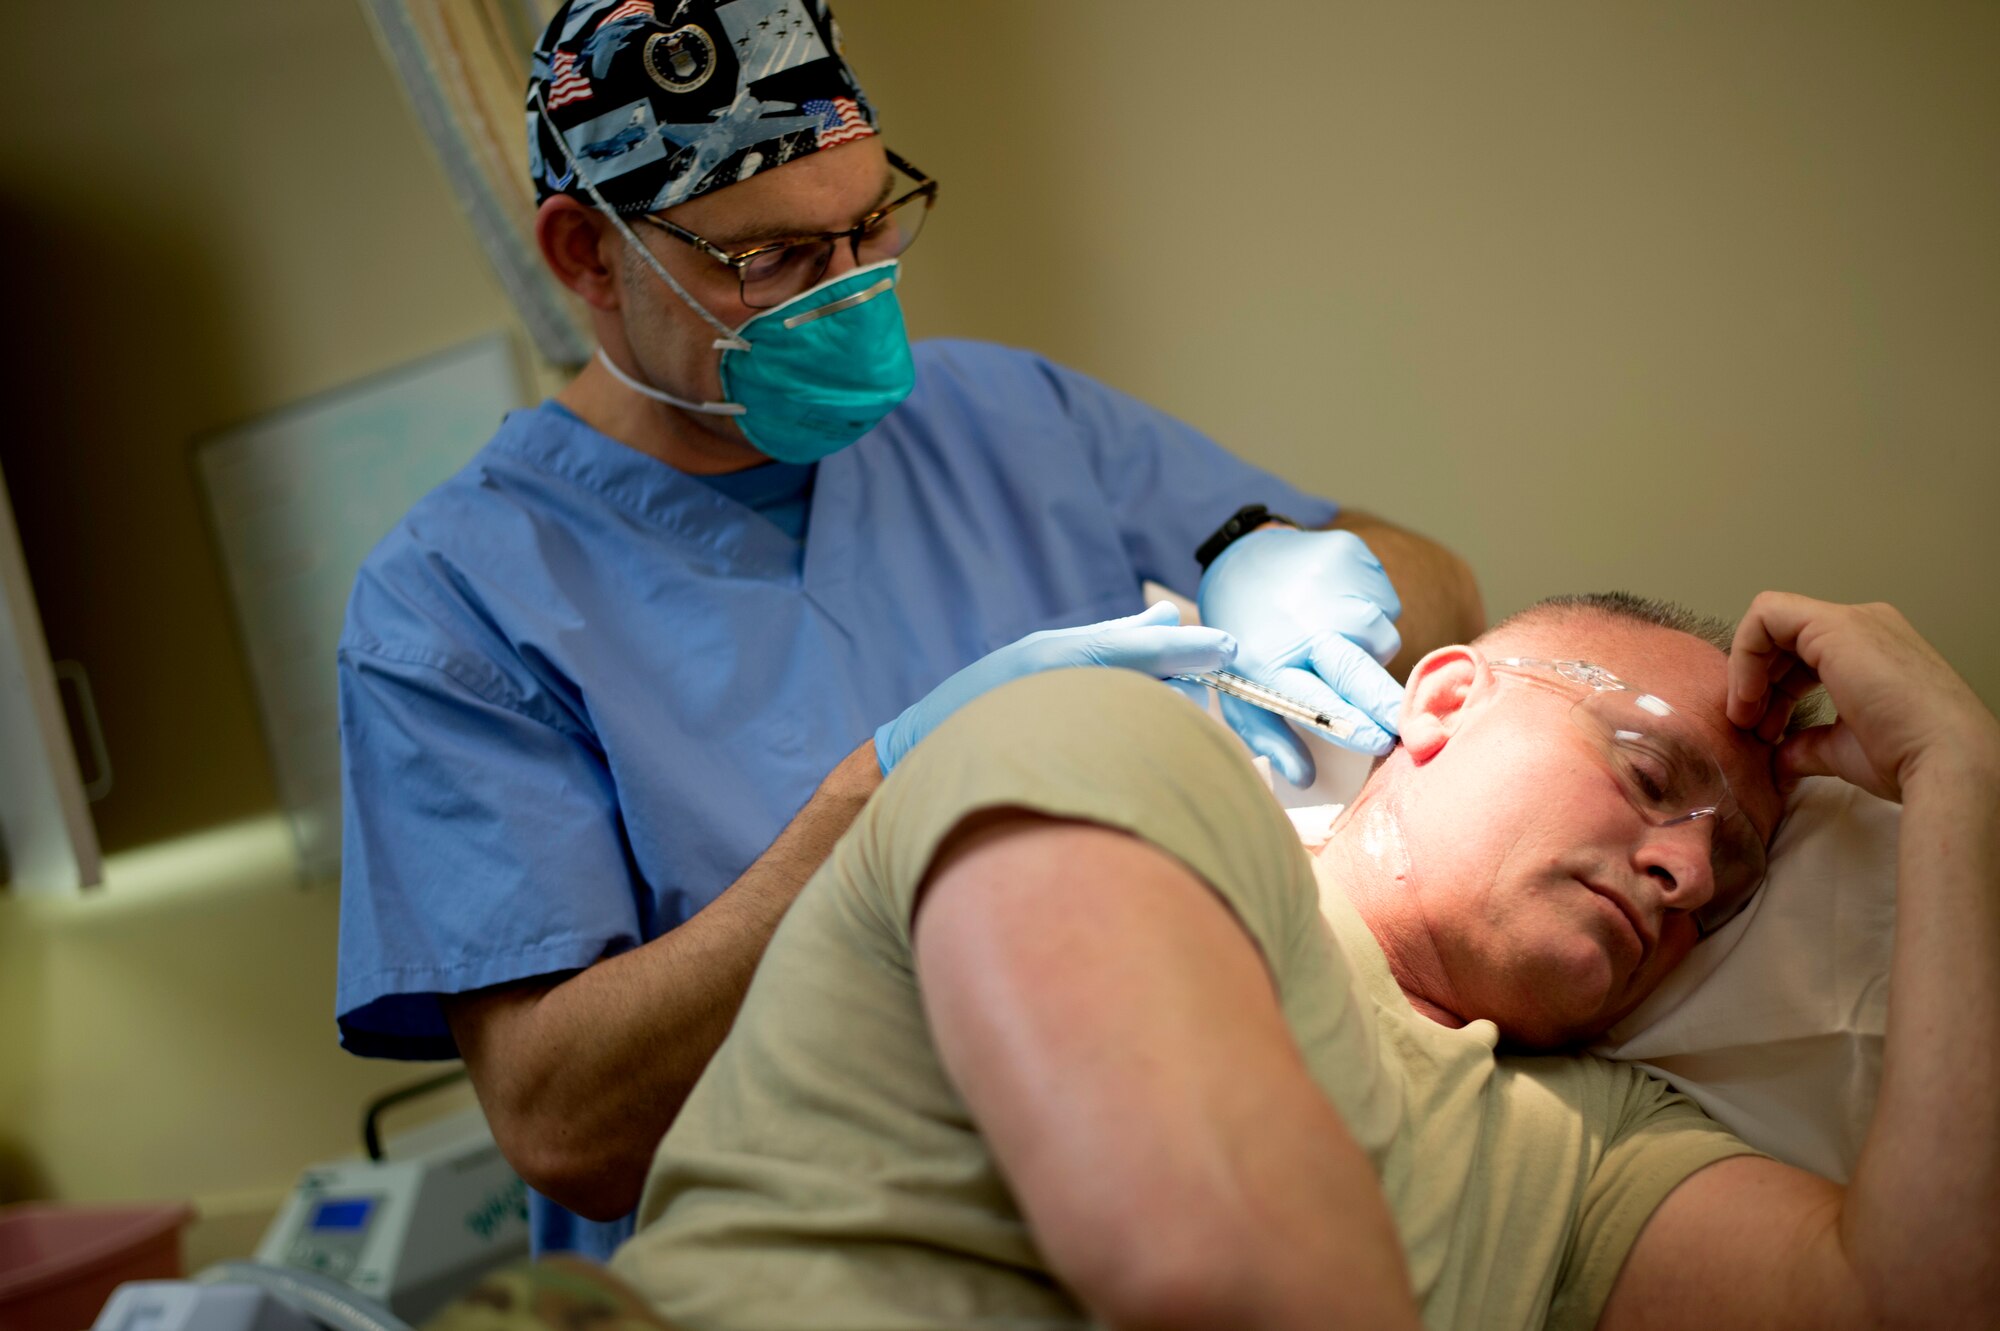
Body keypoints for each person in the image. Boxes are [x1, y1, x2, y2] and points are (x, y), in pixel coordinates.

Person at [333, 0, 1483, 1261]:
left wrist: (1313, 576)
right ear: (585, 256)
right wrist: (888, 797)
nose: (849, 294)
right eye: (769, 261)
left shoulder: (1001, 412)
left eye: (869, 223)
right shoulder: (453, 601)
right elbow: (565, 1125)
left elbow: (1438, 588)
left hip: (1204, 1144)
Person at [606, 591, 1998, 1331]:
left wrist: (1957, 773)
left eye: (1728, 872)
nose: (1687, 870)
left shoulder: (1594, 1152)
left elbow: (1921, 1304)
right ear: (1444, 701)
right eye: (1648, 777)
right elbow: (1214, 1265)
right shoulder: (1127, 762)